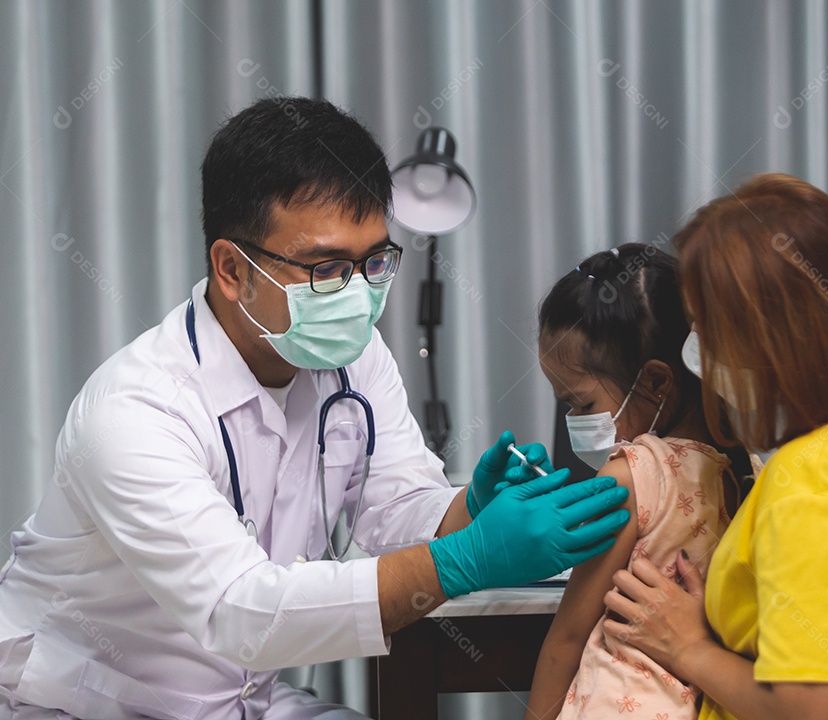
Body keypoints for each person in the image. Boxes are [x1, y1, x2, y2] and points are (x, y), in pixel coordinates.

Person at [0, 98, 629, 720]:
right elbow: (241, 610)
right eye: (326, 268)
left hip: (242, 702)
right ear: (231, 269)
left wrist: (466, 512)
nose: (356, 296)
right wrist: (467, 559)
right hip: (79, 702)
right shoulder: (135, 412)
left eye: (374, 261)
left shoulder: (355, 357)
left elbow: (390, 509)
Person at [603, 174, 828, 720]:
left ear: (774, 337)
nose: (696, 350)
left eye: (706, 328)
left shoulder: (812, 487)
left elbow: (811, 712)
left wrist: (689, 647)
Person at [526, 245, 756, 720]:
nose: (574, 420)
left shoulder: (629, 475)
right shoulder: (746, 470)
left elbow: (567, 638)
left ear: (655, 382)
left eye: (583, 404)